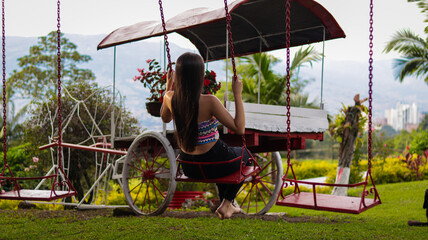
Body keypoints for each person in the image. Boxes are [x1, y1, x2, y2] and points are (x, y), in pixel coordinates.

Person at [160, 52, 249, 219]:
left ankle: (225, 202)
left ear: (177, 75)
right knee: (246, 155)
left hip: (189, 167)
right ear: (199, 76)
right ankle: (228, 202)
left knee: (225, 157)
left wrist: (168, 88)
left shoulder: (170, 98)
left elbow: (165, 117)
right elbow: (239, 128)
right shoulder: (210, 101)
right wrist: (237, 94)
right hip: (214, 163)